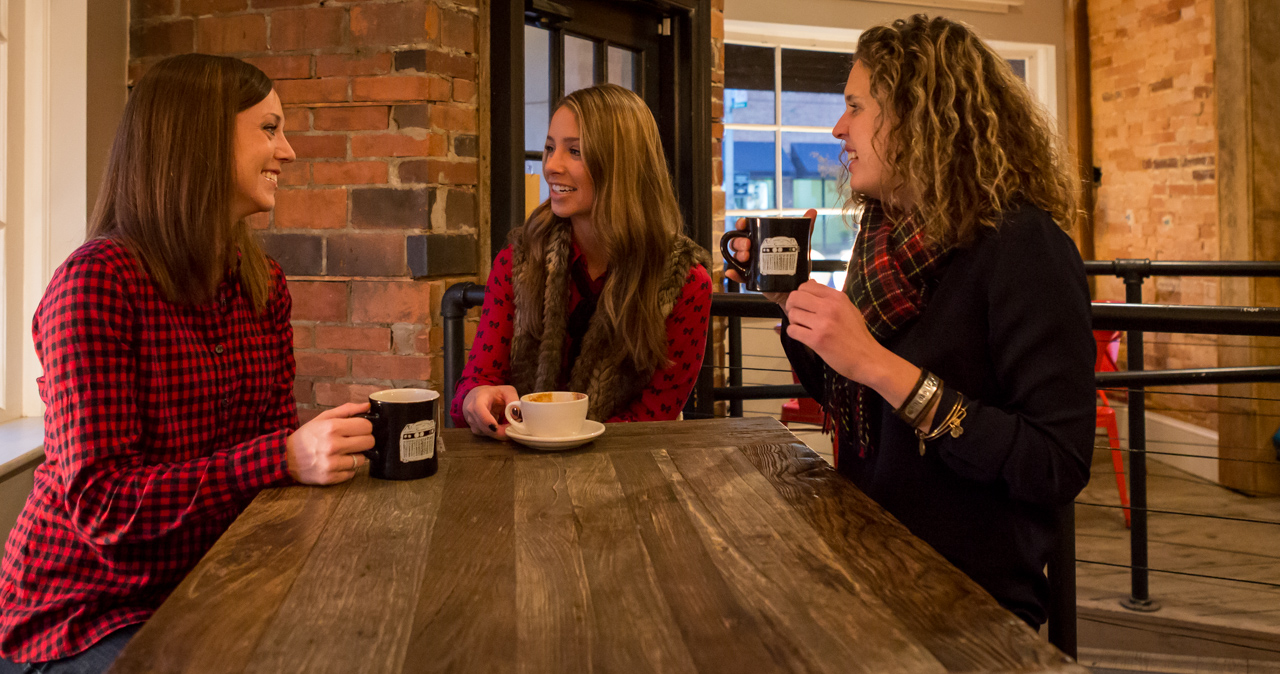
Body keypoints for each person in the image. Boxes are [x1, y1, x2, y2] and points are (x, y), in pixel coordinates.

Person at [0, 54, 375, 672]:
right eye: (269, 128)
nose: (289, 151)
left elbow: (267, 460)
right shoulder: (95, 284)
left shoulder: (261, 284)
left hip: (206, 583)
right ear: (200, 138)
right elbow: (104, 506)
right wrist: (283, 457)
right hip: (82, 613)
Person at [726, 15, 1095, 628]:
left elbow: (1054, 462)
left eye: (856, 107)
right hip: (867, 555)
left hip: (967, 594)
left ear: (921, 117)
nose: (838, 128)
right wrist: (794, 309)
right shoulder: (885, 243)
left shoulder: (1025, 248)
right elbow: (849, 396)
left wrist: (878, 363)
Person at [455, 84, 712, 436]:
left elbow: (656, 415)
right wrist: (476, 399)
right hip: (522, 464)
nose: (551, 166)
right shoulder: (519, 259)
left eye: (574, 151)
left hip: (628, 471)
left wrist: (566, 443)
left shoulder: (683, 280)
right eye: (550, 148)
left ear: (622, 164)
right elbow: (476, 381)